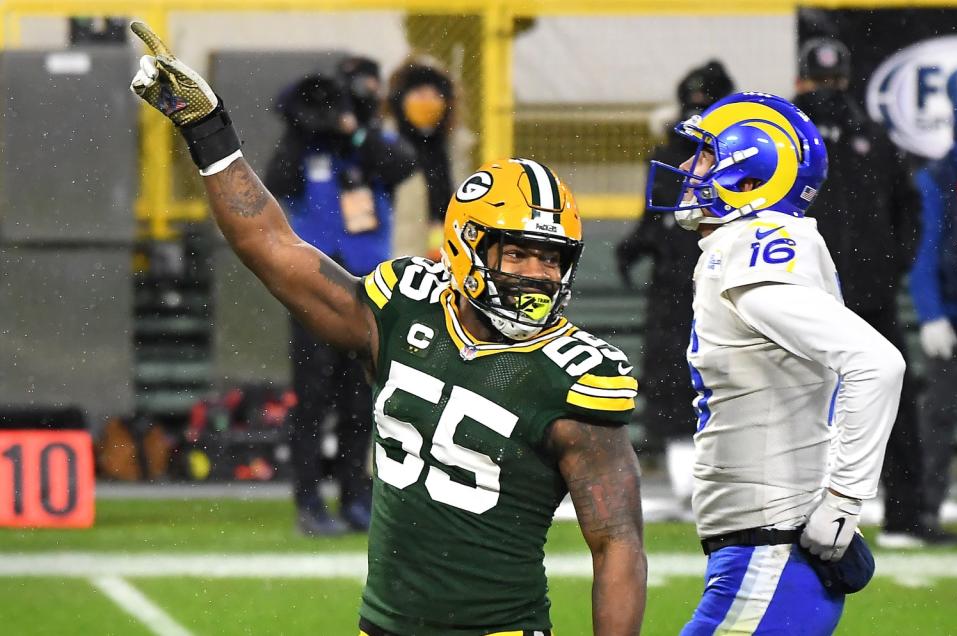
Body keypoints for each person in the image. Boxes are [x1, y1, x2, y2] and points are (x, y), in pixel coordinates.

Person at [129, 22, 647, 635]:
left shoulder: (575, 375)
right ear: (466, 248)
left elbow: (617, 543)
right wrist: (207, 130)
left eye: (552, 256)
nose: (538, 273)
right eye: (518, 253)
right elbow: (273, 247)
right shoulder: (404, 308)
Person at [646, 92, 905, 634]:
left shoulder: (749, 246)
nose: (689, 168)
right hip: (761, 549)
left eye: (705, 156)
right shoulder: (753, 243)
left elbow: (877, 364)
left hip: (770, 554)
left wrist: (843, 501)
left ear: (749, 174)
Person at [793, 37, 957, 548]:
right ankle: (795, 513)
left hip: (859, 297)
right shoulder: (787, 138)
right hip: (806, 299)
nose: (826, 92)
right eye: (821, 84)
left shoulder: (870, 138)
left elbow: (908, 210)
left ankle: (905, 514)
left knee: (894, 402)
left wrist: (886, 266)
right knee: (807, 405)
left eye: (832, 83)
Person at [264, 57, 418, 535]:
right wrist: (301, 125)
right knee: (312, 398)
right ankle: (308, 502)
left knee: (360, 399)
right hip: (313, 285)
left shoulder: (372, 143)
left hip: (367, 285)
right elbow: (278, 182)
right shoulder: (301, 147)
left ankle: (356, 497)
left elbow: (400, 167)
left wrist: (353, 131)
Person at [617, 59, 734, 515]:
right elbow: (655, 221)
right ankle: (689, 478)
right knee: (673, 379)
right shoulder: (670, 159)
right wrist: (637, 245)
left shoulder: (742, 158)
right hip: (678, 291)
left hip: (723, 286)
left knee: (721, 378)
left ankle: (717, 477)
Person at [909, 75, 957, 540]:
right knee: (939, 417)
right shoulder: (939, 179)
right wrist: (931, 314)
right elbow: (924, 249)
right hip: (954, 319)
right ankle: (925, 510)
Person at [387, 55, 456, 260]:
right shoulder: (383, 146)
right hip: (397, 256)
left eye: (435, 95)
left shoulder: (456, 147)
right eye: (419, 94)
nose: (428, 102)